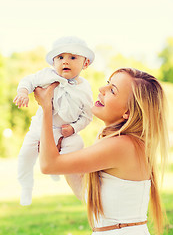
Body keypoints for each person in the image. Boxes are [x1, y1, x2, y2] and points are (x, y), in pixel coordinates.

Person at [34, 68, 168, 235]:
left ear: (127, 112)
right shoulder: (124, 143)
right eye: (107, 84)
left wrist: (47, 107)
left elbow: (48, 165)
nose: (101, 90)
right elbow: (84, 192)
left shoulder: (122, 145)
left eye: (112, 90)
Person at [13, 36, 95, 206]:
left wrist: (73, 128)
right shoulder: (46, 75)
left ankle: (59, 168)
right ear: (53, 61)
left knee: (76, 146)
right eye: (60, 57)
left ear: (85, 63)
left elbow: (87, 115)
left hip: (65, 132)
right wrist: (22, 92)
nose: (65, 62)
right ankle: (26, 187)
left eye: (72, 57)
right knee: (25, 157)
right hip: (40, 128)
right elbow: (28, 80)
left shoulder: (85, 88)